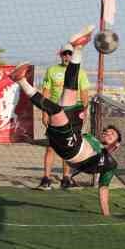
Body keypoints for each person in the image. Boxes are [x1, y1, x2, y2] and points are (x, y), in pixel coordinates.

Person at [9, 25, 121, 216]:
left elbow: (103, 188)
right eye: (107, 131)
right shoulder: (92, 139)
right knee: (70, 88)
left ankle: (20, 80)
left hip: (72, 149)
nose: (108, 133)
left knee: (55, 109)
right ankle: (78, 48)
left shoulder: (110, 162)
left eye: (112, 134)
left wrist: (106, 213)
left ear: (116, 145)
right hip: (73, 137)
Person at [38, 42, 90, 190]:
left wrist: (84, 111)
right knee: (51, 147)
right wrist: (44, 112)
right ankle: (46, 178)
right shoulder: (52, 70)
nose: (67, 56)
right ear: (60, 55)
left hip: (72, 113)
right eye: (65, 53)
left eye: (70, 53)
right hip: (55, 111)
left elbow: (85, 93)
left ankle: (66, 178)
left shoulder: (80, 72)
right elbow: (46, 93)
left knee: (69, 147)